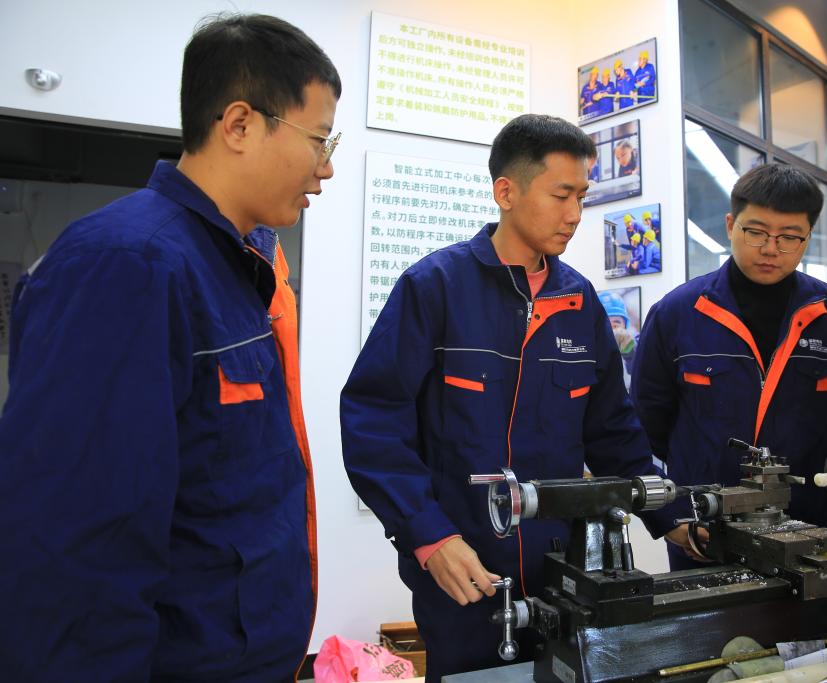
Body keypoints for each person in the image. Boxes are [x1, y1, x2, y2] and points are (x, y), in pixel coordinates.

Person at [0, 14, 340, 680]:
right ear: (238, 125)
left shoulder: (241, 265)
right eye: (318, 140)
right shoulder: (126, 265)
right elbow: (74, 547)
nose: (325, 168)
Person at [340, 114, 685, 681]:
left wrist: (673, 517)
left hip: (563, 573)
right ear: (506, 192)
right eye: (561, 195)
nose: (574, 214)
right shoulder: (435, 288)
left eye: (582, 197)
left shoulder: (580, 302)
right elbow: (373, 423)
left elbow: (613, 433)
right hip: (463, 573)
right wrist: (429, 536)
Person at [630, 163, 827, 571]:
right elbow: (643, 428)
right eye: (755, 232)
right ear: (730, 225)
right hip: (704, 534)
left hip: (810, 531)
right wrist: (670, 515)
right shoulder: (677, 314)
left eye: (789, 237)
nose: (771, 249)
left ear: (808, 237)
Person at [598, 290, 639, 384]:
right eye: (606, 323)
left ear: (625, 325)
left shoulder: (633, 340)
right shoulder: (589, 347)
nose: (612, 327)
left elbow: (639, 369)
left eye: (617, 322)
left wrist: (630, 352)